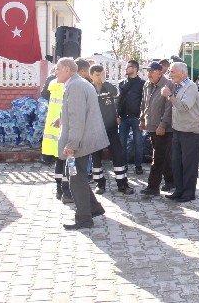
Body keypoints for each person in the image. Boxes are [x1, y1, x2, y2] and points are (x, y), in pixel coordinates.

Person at [54, 58, 108, 230]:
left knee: (76, 179)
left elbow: (78, 119)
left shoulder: (76, 86)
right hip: (84, 139)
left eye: (58, 69)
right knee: (79, 177)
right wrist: (62, 119)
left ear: (68, 69)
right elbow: (76, 112)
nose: (55, 73)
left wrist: (72, 144)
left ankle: (84, 218)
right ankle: (93, 208)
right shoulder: (79, 83)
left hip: (80, 142)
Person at [161, 62, 199, 203]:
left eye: (173, 72)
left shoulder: (190, 86)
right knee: (177, 162)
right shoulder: (179, 86)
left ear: (183, 73)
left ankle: (189, 193)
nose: (170, 74)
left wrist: (169, 96)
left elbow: (184, 107)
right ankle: (179, 190)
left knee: (188, 164)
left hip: (191, 131)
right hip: (179, 129)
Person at [89, 64, 133, 195]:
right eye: (97, 75)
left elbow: (117, 93)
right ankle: (99, 184)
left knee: (117, 155)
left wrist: (104, 82)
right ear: (91, 75)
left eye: (102, 74)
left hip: (111, 128)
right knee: (96, 157)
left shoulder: (108, 87)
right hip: (95, 128)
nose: (100, 77)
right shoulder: (88, 88)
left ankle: (122, 184)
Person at [139, 62, 174, 197]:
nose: (149, 74)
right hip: (151, 126)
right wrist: (142, 119)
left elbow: (169, 107)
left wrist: (163, 125)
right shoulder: (147, 84)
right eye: (148, 71)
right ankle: (171, 181)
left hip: (163, 128)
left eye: (152, 71)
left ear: (160, 72)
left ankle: (153, 187)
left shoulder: (168, 85)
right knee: (163, 156)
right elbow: (144, 103)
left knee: (158, 157)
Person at [41, 74, 72, 202]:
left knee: (59, 161)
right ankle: (68, 191)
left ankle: (59, 190)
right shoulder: (68, 87)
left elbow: (44, 96)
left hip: (53, 131)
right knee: (70, 163)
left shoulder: (52, 84)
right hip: (66, 130)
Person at [118, 60, 145, 175]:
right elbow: (118, 101)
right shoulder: (122, 83)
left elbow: (145, 101)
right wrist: (117, 115)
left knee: (138, 143)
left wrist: (143, 117)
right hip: (123, 117)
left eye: (128, 67)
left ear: (134, 68)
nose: (125, 68)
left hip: (136, 117)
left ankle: (138, 165)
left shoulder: (142, 83)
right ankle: (123, 165)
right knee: (122, 143)